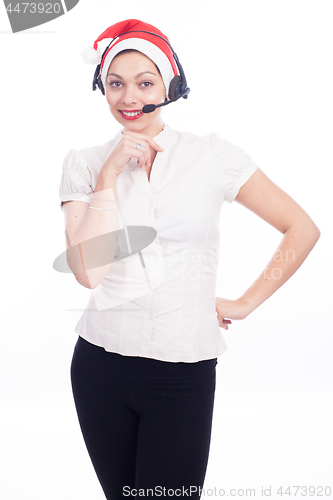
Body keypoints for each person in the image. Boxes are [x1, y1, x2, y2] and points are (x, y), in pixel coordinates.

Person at [59, 19, 320, 500]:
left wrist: (246, 302)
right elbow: (87, 273)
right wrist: (110, 176)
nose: (128, 97)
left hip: (182, 372)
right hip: (100, 368)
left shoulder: (213, 156)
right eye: (115, 83)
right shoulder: (85, 162)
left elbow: (302, 228)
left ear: (169, 86)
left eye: (145, 82)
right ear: (102, 87)